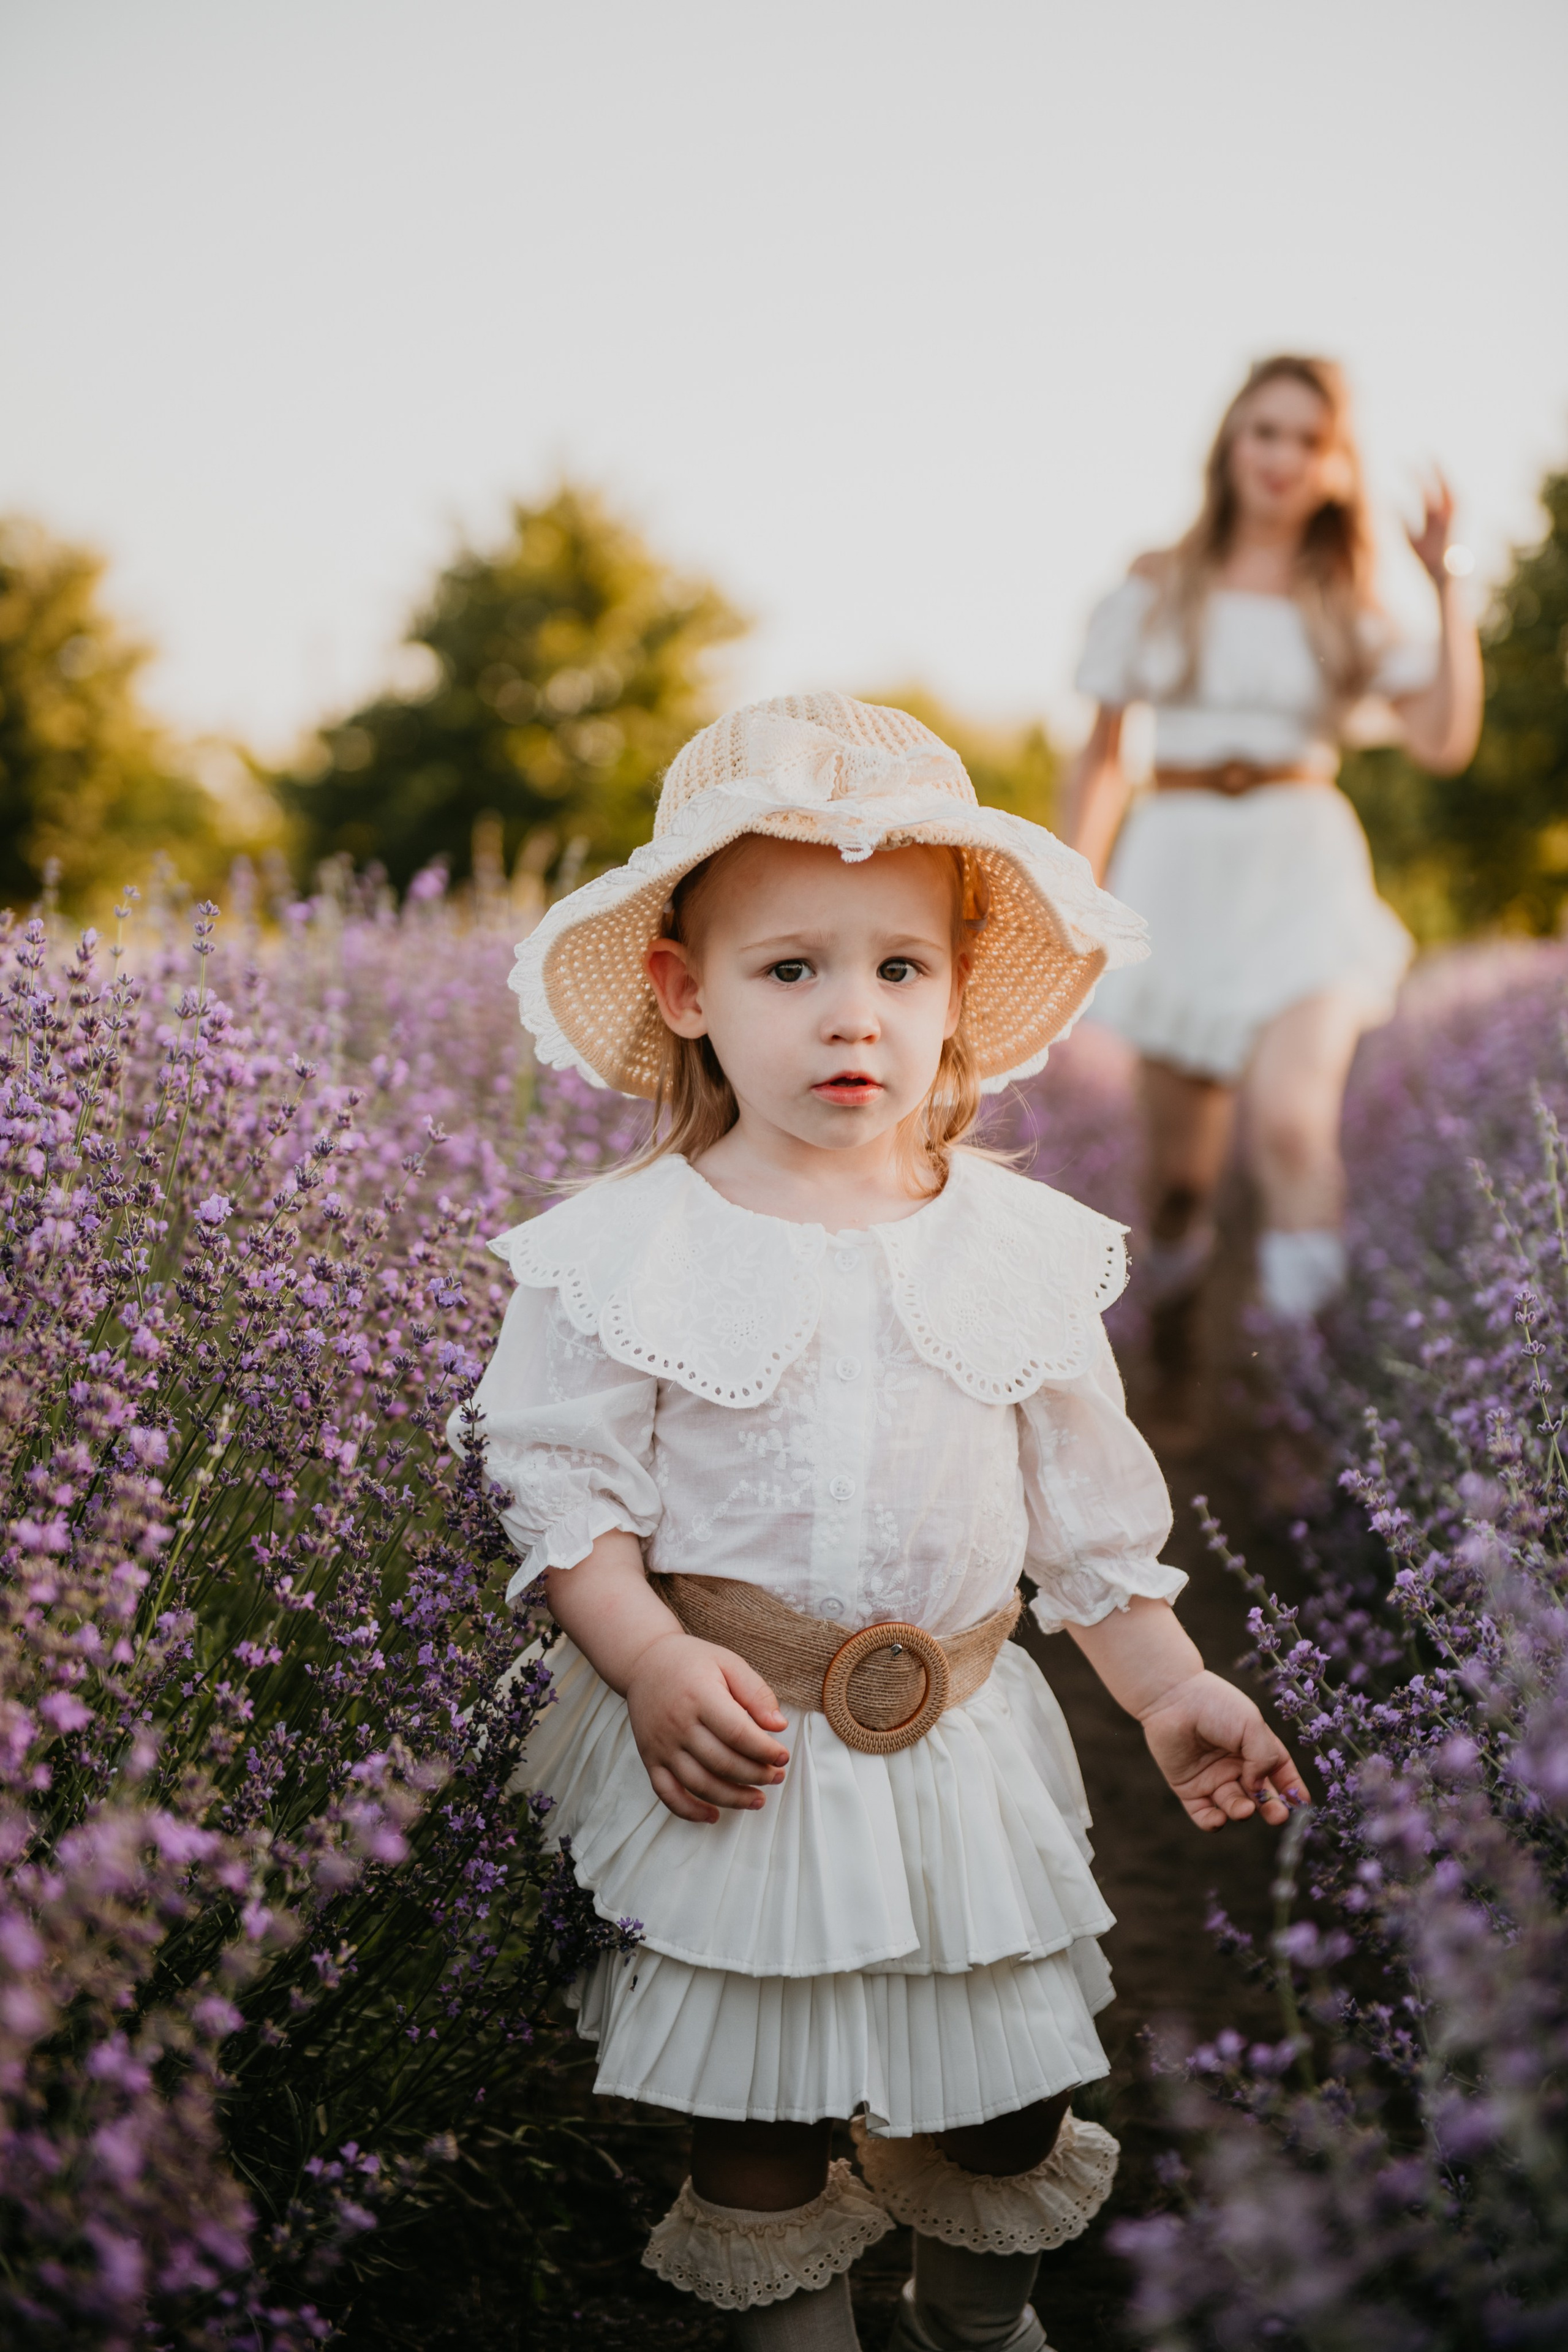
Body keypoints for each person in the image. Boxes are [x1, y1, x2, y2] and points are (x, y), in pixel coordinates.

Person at [451, 694, 1308, 2352]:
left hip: (957, 1744)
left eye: (899, 970)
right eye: (793, 971)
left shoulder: (1017, 1248)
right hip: (734, 1743)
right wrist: (639, 1659)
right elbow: (566, 1499)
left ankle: (980, 2323)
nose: (853, 1015)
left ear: (958, 998)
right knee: (758, 2130)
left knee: (997, 2106)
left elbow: (1087, 1531)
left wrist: (1172, 1688)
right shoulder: (625, 1250)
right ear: (687, 992)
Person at [1065, 355, 1482, 1329]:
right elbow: (1102, 757)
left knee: (1295, 1127)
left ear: (1337, 465)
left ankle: (1309, 1398)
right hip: (1176, 871)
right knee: (1174, 1180)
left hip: (1304, 877)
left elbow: (1443, 739)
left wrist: (1446, 582)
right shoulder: (1159, 581)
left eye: (1310, 439)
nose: (1284, 456)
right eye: (1267, 431)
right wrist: (1067, 888)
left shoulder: (1349, 599)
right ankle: (1180, 1364)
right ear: (1231, 445)